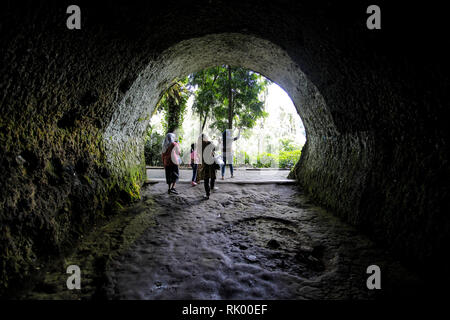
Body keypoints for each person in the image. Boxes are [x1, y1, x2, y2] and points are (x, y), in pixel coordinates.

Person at [199, 133, 217, 200]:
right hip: (211, 163)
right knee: (213, 175)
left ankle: (207, 194)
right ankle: (212, 187)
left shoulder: (200, 145)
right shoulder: (209, 143)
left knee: (206, 179)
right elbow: (215, 149)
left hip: (205, 164)